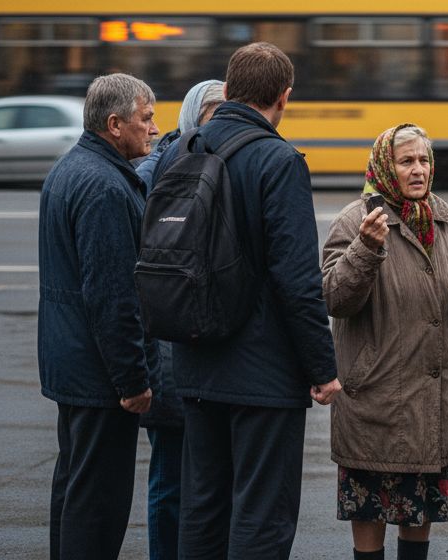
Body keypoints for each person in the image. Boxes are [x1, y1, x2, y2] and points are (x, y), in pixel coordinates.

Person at [150, 42, 342, 560]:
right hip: (263, 372)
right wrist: (322, 368)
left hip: (193, 356)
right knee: (262, 512)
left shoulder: (178, 150)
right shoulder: (279, 160)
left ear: (229, 91)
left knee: (203, 506)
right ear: (284, 97)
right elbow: (296, 279)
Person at [322, 124, 448, 560]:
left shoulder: (447, 219)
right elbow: (335, 298)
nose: (418, 170)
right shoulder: (356, 221)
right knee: (370, 515)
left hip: (433, 403)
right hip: (378, 400)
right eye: (406, 161)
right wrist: (365, 249)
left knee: (419, 518)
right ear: (384, 167)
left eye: (424, 160)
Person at [38, 73, 159, 560]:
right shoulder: (106, 186)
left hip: (72, 363)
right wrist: (132, 381)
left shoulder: (70, 169)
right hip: (100, 375)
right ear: (114, 124)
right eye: (145, 119)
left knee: (74, 489)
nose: (154, 129)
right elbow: (113, 296)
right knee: (98, 503)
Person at [134, 78, 225, 560]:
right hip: (171, 348)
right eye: (214, 113)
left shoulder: (218, 163)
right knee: (171, 478)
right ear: (194, 117)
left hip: (199, 349)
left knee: (202, 481)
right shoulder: (161, 169)